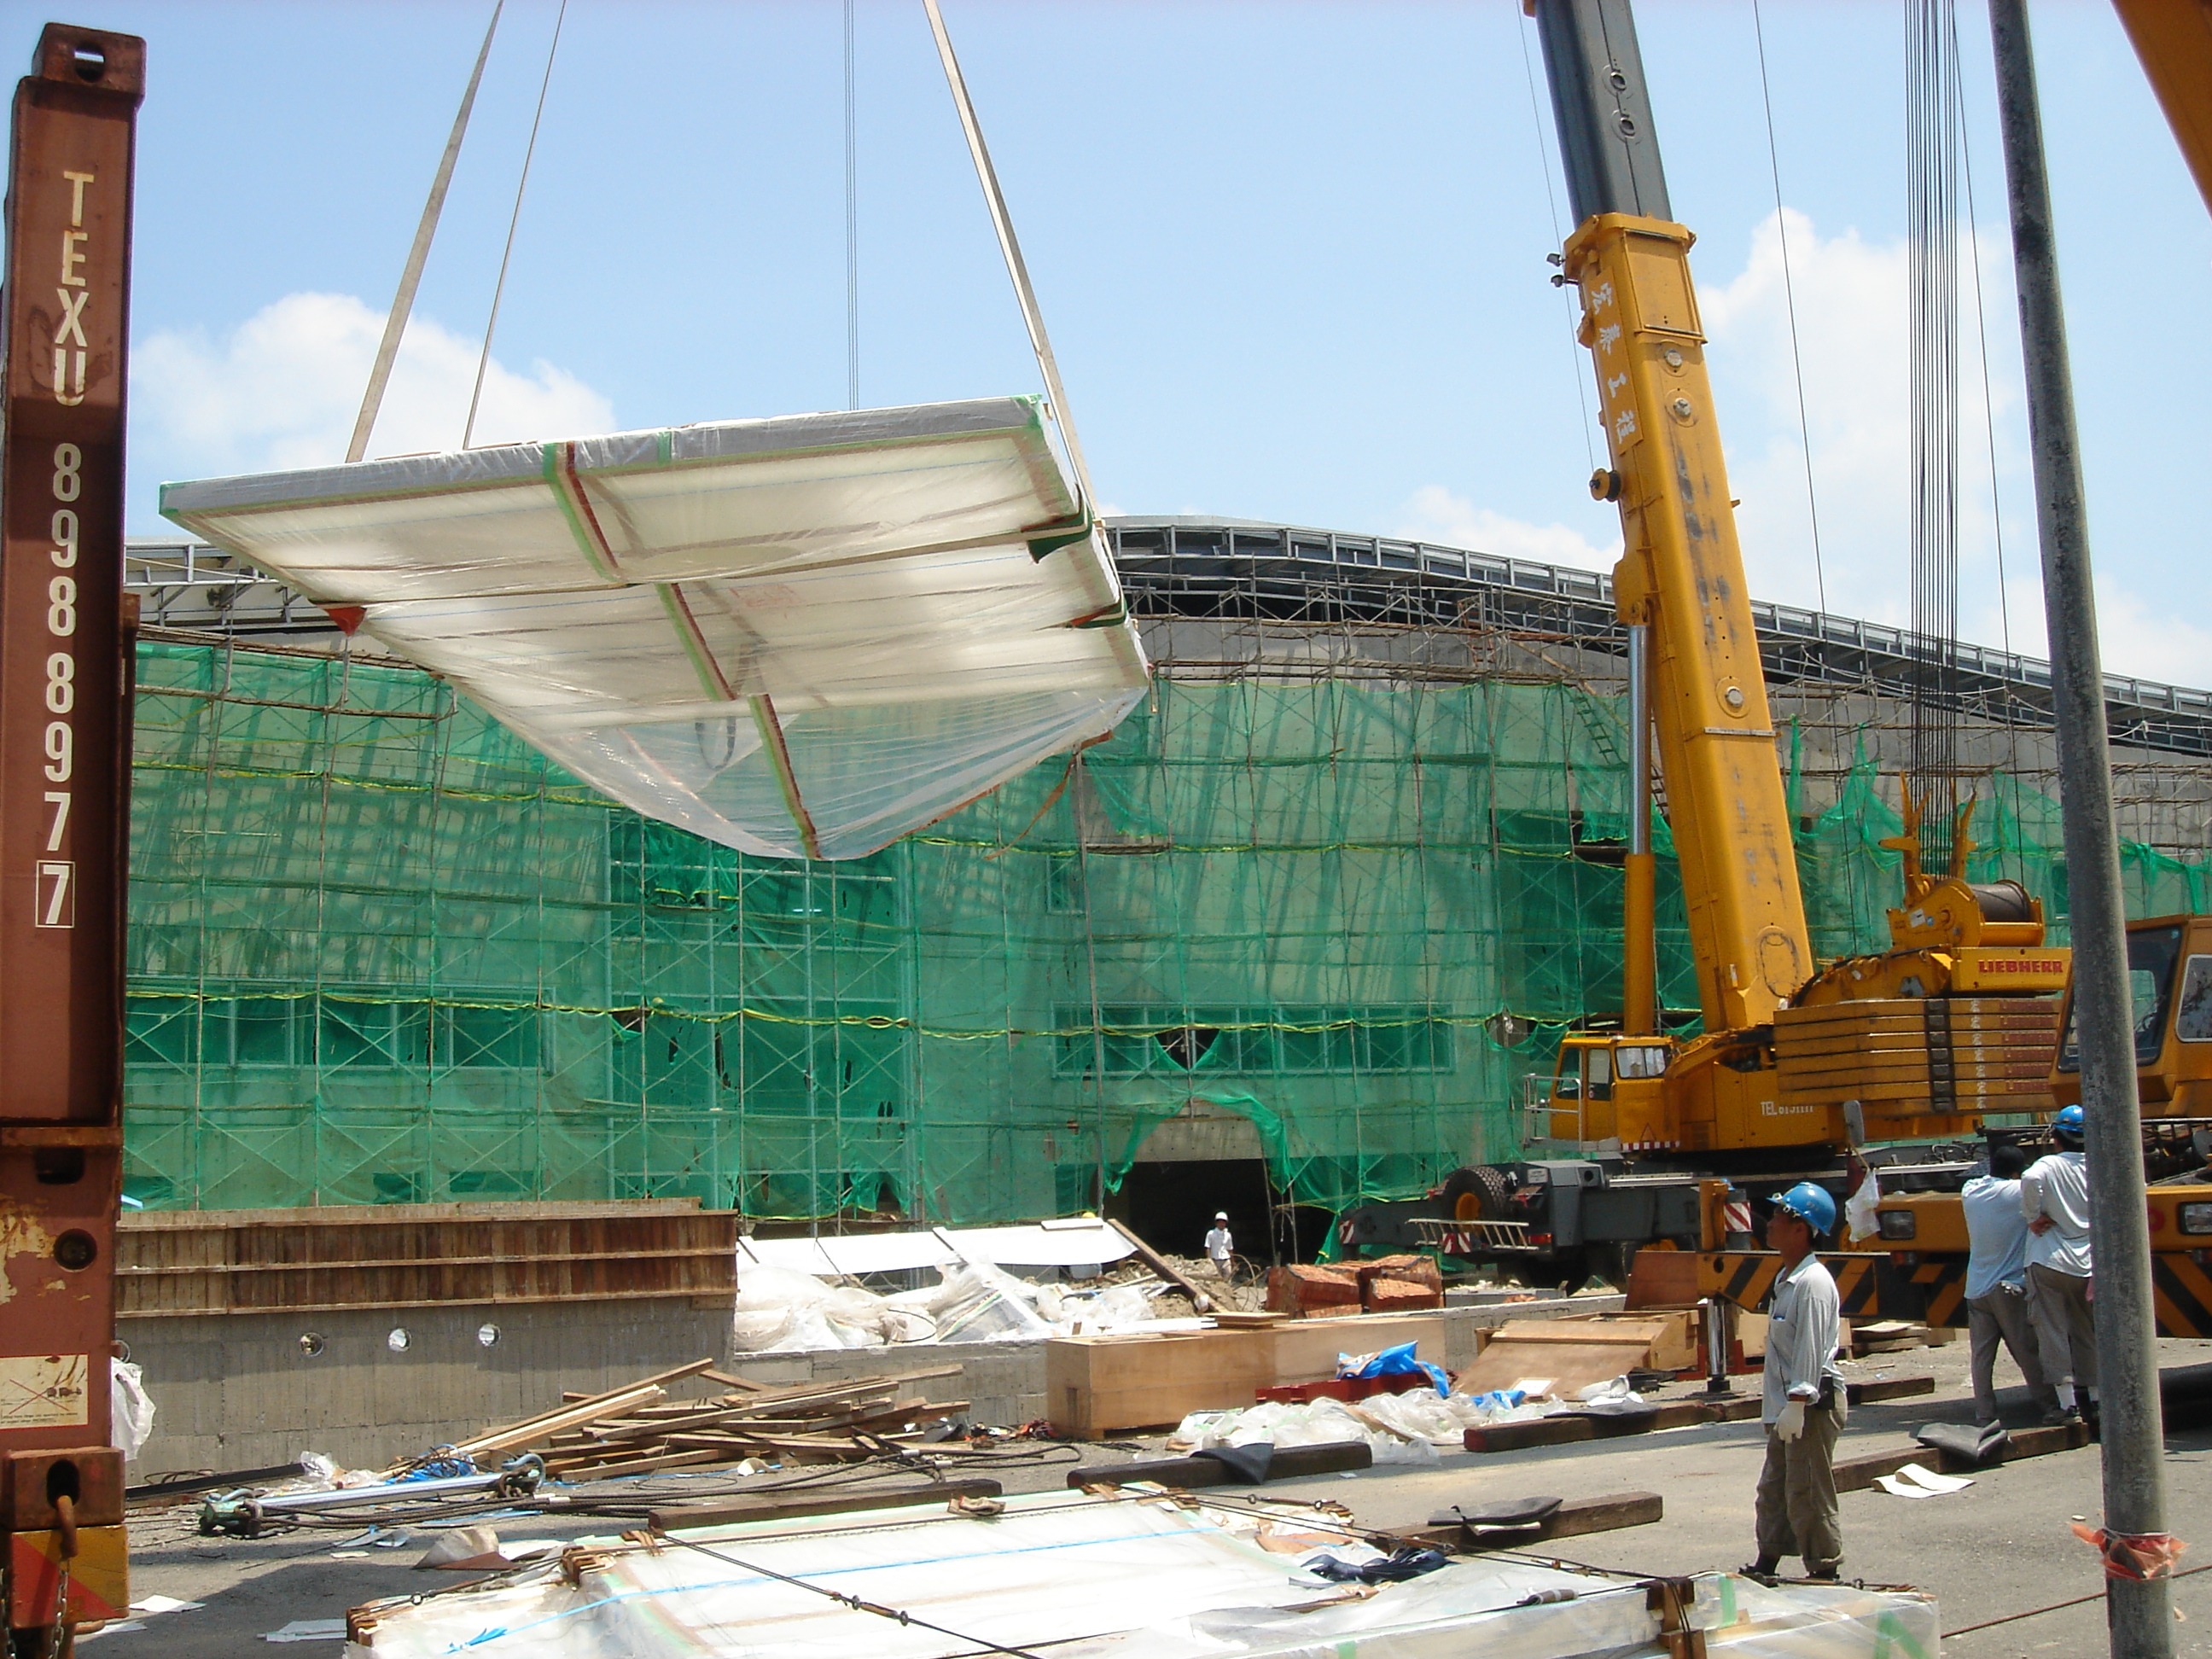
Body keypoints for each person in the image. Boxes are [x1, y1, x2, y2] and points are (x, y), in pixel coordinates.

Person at [1745, 1182, 1846, 1584]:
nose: (1770, 1224)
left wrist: (1799, 1401)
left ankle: (1825, 1568)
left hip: (1810, 1406)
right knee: (1774, 1489)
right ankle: (1767, 1559)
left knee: (1807, 1491)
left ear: (1802, 1228)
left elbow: (1811, 1347)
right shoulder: (1787, 1277)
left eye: (1779, 1217)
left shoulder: (1814, 1283)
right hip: (1789, 1406)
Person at [1962, 1142, 2058, 1424]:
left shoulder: (1970, 1191)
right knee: (2025, 1351)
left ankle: (1985, 1414)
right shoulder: (2017, 1192)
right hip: (2007, 1289)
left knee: (1981, 1357)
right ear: (2018, 1173)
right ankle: (2050, 1405)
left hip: (1976, 1288)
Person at [2022, 1103, 2096, 1426]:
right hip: (2089, 1264)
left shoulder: (2048, 1165)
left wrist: (2032, 1216)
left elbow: (2029, 1177)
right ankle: (2097, 1399)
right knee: (2087, 1332)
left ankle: (2068, 1406)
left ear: (2057, 1137)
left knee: (2052, 1331)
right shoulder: (2098, 1164)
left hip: (2049, 1261)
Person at [1204, 1211, 1234, 1278]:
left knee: (1228, 1277)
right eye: (1220, 1222)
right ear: (1216, 1223)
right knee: (1216, 1278)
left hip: (1226, 1260)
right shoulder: (1211, 1234)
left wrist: (1233, 1262)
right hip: (1215, 1260)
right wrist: (1209, 1260)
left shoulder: (1228, 1235)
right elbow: (1208, 1247)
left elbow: (1230, 1249)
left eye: (1223, 1222)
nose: (1222, 1224)